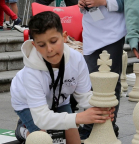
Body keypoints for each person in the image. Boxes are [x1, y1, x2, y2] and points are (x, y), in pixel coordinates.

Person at [11, 11, 114, 143]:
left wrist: (102, 107)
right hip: (26, 102)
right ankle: (23, 131)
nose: (49, 49)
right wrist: (79, 117)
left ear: (64, 37)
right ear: (35, 46)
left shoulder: (76, 59)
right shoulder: (31, 72)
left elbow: (84, 97)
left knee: (74, 140)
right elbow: (42, 118)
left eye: (54, 41)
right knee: (42, 139)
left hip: (59, 99)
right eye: (42, 45)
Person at [77, 0, 125, 140]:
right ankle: (90, 123)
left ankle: (109, 125)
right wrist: (83, 1)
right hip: (91, 27)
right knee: (88, 80)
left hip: (113, 31)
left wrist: (104, 1)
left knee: (110, 80)